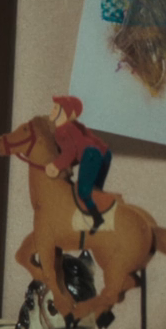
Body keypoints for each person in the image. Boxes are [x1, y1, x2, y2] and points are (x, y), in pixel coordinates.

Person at [45, 95, 113, 232]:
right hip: (101, 154)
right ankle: (97, 217)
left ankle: (98, 219)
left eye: (56, 108)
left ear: (64, 112)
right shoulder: (74, 126)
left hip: (91, 154)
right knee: (94, 192)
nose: (52, 111)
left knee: (83, 192)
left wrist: (56, 165)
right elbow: (87, 141)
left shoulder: (62, 131)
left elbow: (70, 152)